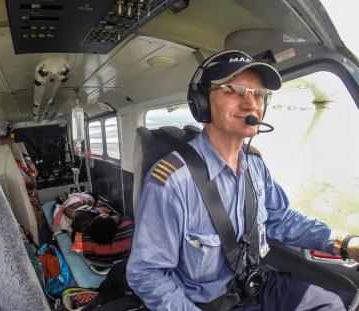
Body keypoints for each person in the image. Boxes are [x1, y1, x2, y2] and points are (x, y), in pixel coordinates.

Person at [126, 50, 359, 311]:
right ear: (202, 101)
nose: (251, 104)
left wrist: (345, 243)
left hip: (258, 286)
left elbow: (281, 219)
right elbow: (147, 274)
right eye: (233, 90)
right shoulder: (172, 182)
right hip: (206, 304)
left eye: (259, 95)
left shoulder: (255, 165)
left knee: (334, 305)